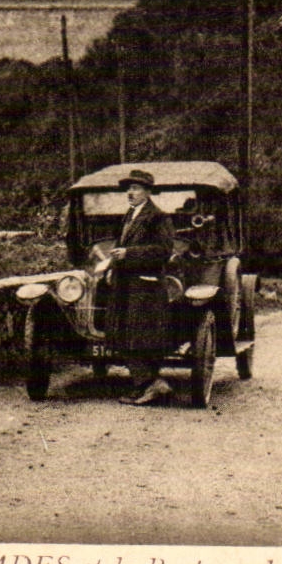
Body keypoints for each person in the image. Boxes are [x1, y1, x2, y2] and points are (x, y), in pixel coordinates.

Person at [91, 169, 182, 405]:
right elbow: (119, 248)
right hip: (124, 285)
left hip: (145, 288)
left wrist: (128, 253)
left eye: (136, 188)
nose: (130, 193)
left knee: (139, 338)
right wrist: (111, 266)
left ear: (148, 192)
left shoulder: (157, 217)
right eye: (129, 188)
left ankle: (151, 385)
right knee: (121, 334)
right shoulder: (129, 216)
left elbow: (163, 251)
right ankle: (146, 384)